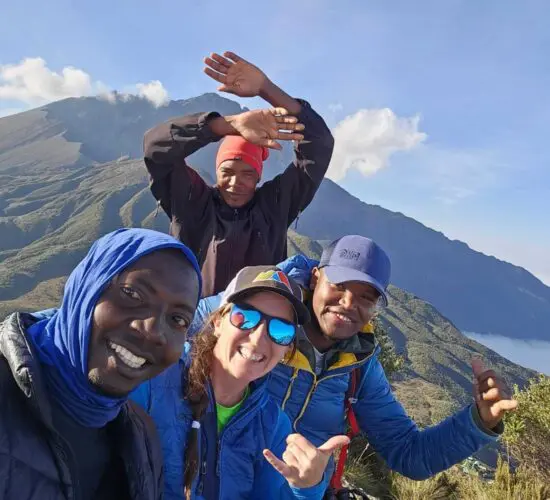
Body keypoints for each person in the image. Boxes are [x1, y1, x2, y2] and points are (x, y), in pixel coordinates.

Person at [191, 235, 519, 492]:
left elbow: (410, 455)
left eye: (366, 297)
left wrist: (480, 421)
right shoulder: (261, 312)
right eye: (339, 286)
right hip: (214, 475)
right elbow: (178, 323)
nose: (348, 304)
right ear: (316, 277)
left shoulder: (359, 368)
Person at [0, 228, 202, 500]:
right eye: (133, 294)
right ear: (86, 287)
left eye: (178, 319)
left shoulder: (142, 440)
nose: (153, 331)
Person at [132, 266, 349, 500]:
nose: (258, 338)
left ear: (287, 349)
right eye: (245, 316)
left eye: (280, 330)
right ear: (218, 321)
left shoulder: (272, 426)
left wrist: (307, 487)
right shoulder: (154, 378)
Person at [144, 51, 334, 296]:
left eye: (247, 173)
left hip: (254, 330)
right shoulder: (191, 201)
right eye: (227, 171)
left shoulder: (274, 206)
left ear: (259, 176)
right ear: (216, 170)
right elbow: (156, 146)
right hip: (190, 329)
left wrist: (267, 89)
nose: (236, 183)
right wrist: (226, 125)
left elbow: (319, 144)